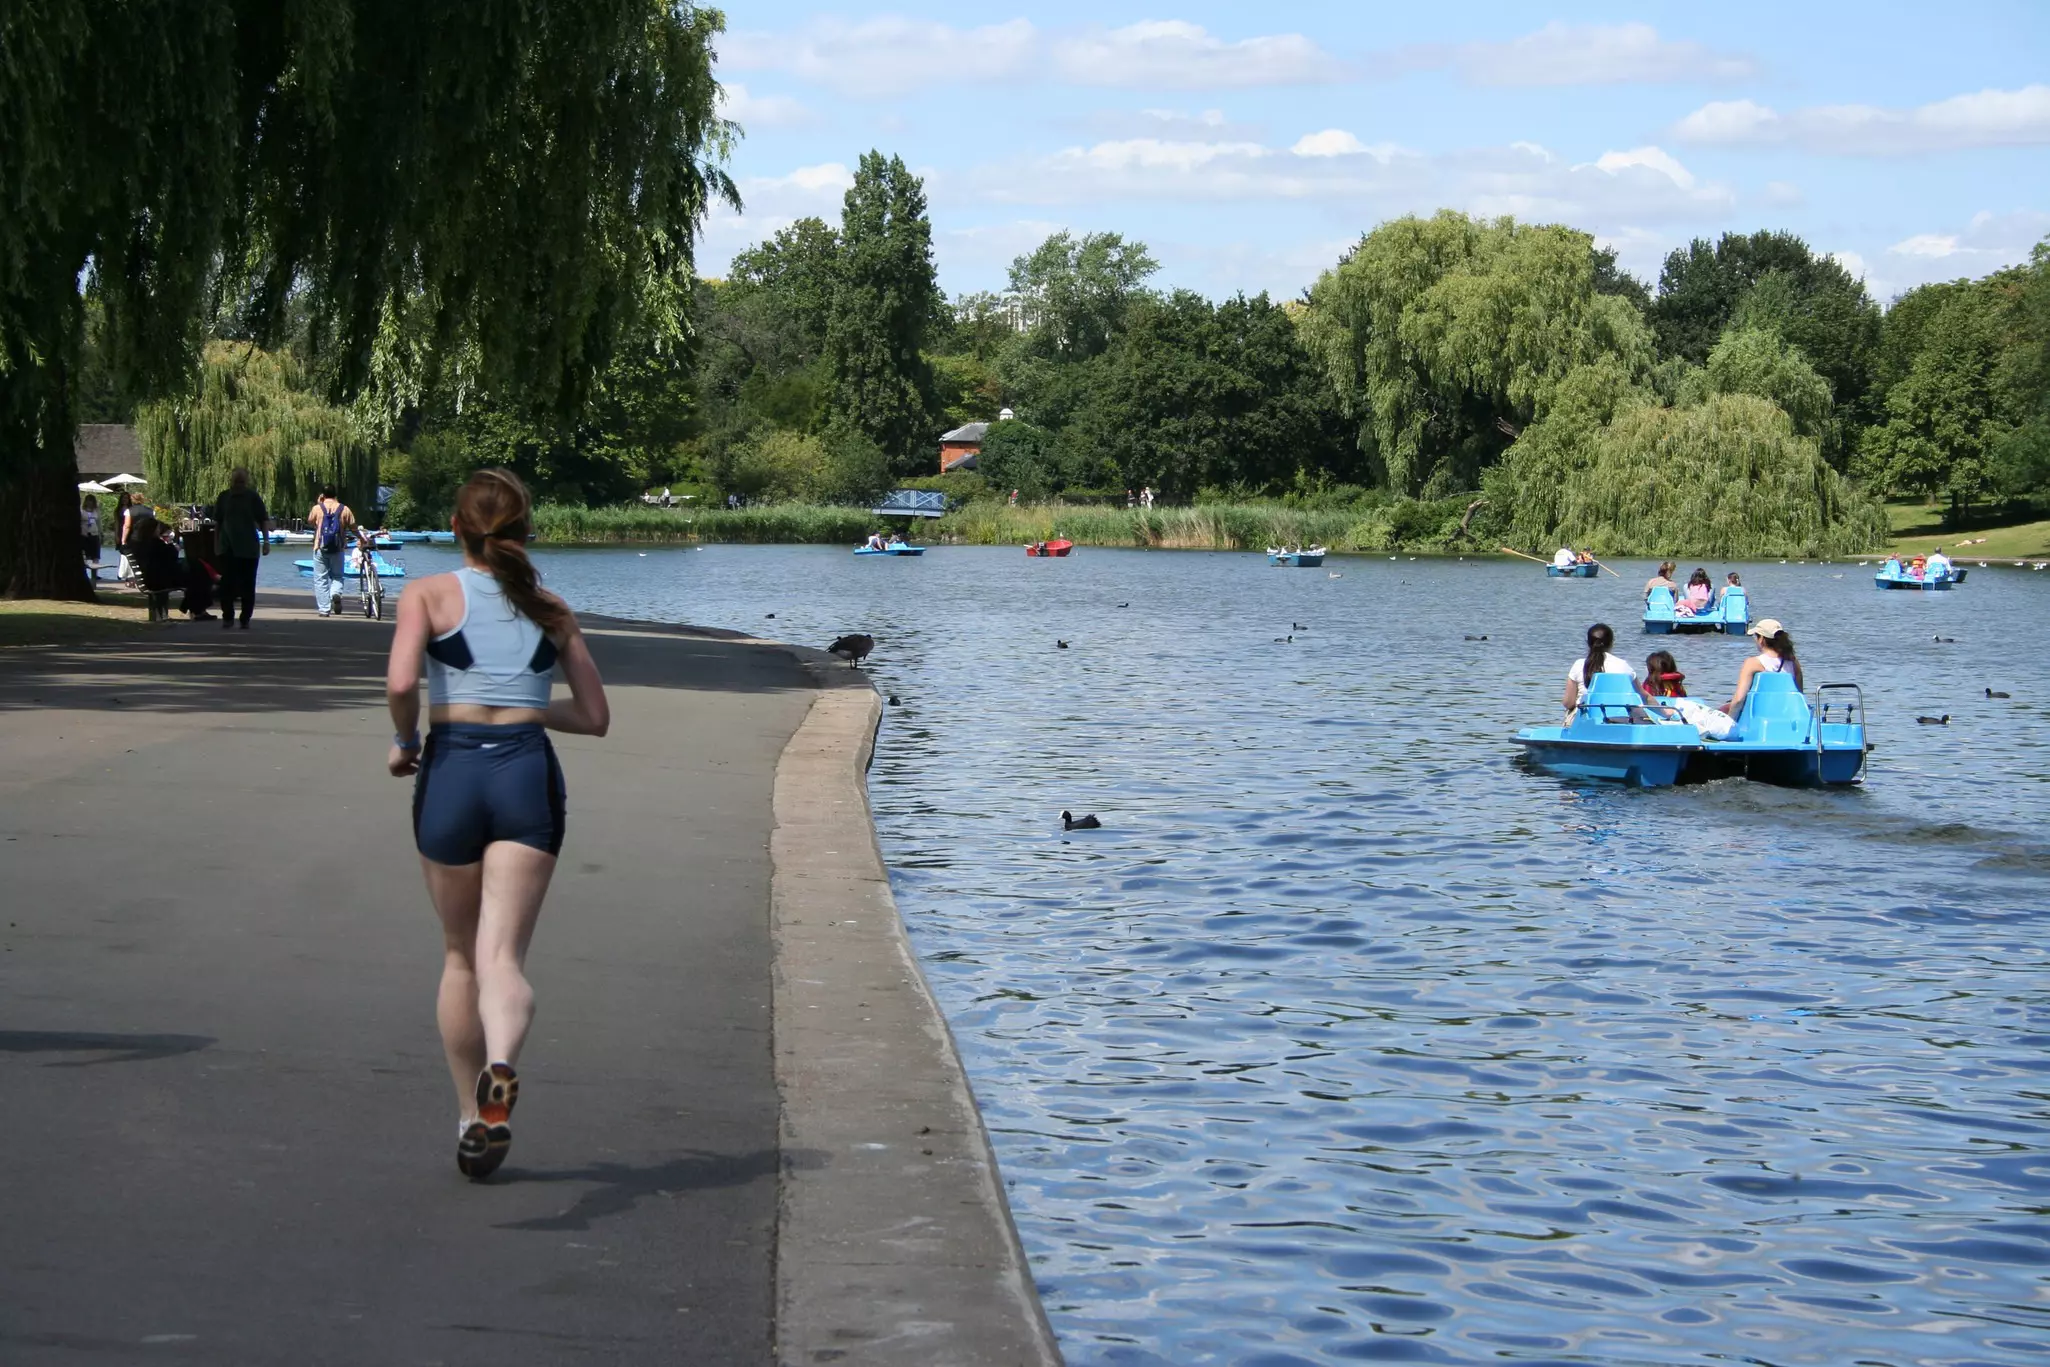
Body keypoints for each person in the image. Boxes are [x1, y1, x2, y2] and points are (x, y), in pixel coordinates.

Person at [384, 468, 610, 1181]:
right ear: (525, 530)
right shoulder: (551, 607)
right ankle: (503, 1063)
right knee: (502, 958)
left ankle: (467, 1112)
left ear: (457, 527)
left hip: (452, 772)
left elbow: (398, 684)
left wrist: (406, 741)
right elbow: (597, 717)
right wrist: (525, 705)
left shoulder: (426, 594)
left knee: (458, 956)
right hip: (523, 776)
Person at [211, 468, 270, 629]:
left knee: (248, 585)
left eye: (242, 482)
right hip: (227, 547)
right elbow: (218, 523)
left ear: (246, 482)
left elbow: (263, 520)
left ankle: (245, 618)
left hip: (248, 548)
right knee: (227, 584)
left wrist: (266, 541)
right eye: (236, 482)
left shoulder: (252, 497)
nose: (239, 485)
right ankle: (228, 616)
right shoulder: (224, 497)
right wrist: (217, 545)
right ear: (231, 482)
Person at [1724, 618, 1802, 718]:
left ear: (1761, 639)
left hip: (1760, 716)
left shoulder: (1753, 663)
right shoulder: (1793, 662)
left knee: (1725, 708)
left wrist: (1729, 723)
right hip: (1787, 715)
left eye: (1756, 637)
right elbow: (1799, 696)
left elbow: (1739, 700)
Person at [1562, 622, 1635, 720]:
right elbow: (1643, 697)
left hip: (1583, 720)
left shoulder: (1579, 664)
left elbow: (1569, 703)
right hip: (1617, 718)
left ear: (1588, 643)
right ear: (1612, 642)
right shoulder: (1624, 665)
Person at [306, 485, 356, 618]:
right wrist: (362, 538)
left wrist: (319, 504)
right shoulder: (344, 509)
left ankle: (324, 609)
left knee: (320, 578)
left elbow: (310, 521)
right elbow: (353, 527)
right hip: (338, 547)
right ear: (336, 495)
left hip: (320, 547)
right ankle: (336, 593)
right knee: (338, 576)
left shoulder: (317, 508)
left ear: (323, 494)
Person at [80, 494, 101, 567]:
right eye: (88, 500)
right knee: (84, 555)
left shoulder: (96, 511)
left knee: (95, 555)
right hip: (84, 534)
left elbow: (99, 522)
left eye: (91, 501)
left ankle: (95, 574)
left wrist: (101, 533)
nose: (90, 502)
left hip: (94, 533)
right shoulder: (81, 511)